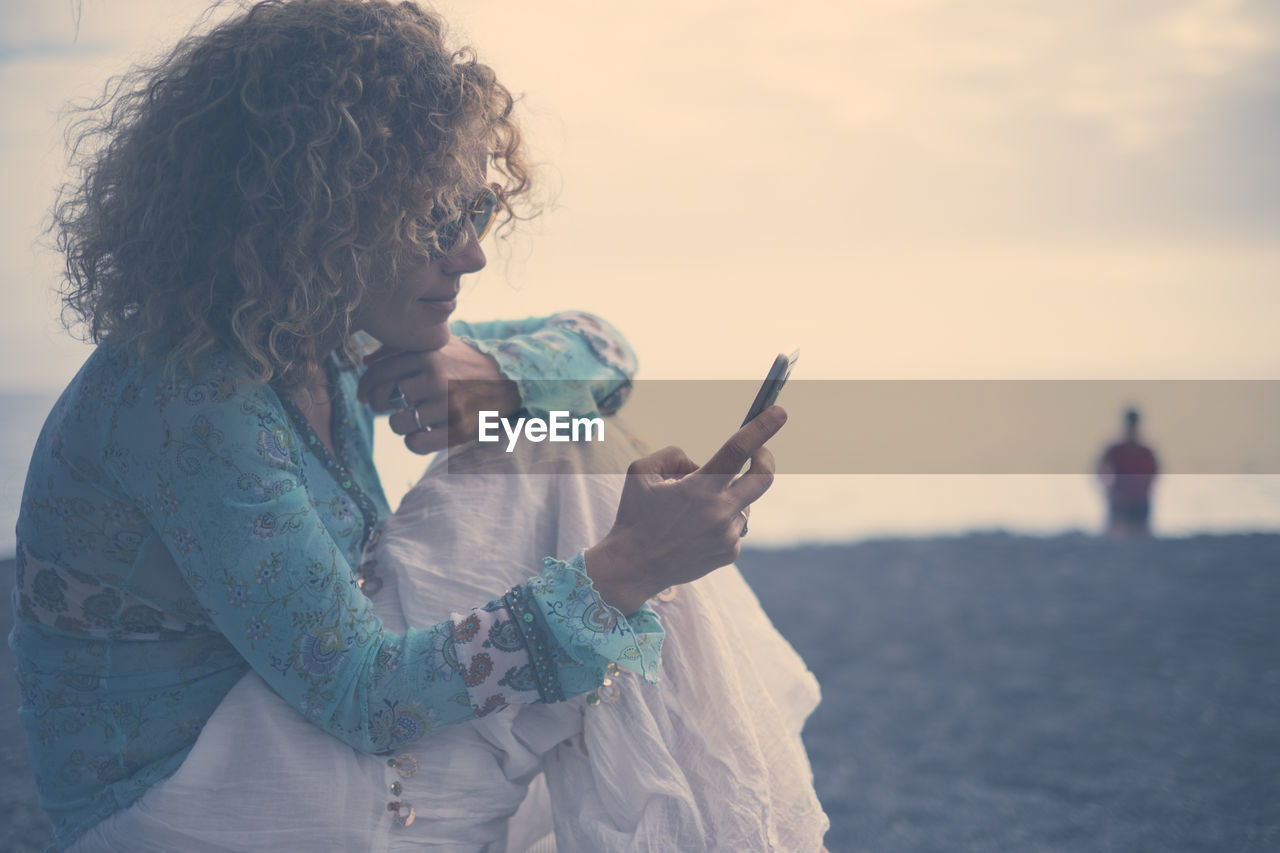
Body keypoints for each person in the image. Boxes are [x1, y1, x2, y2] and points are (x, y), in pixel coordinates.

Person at [10, 1, 790, 849]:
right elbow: (362, 692)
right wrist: (628, 568)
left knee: (567, 436)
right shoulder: (189, 396)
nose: (472, 252)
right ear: (313, 222)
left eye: (477, 209)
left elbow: (607, 350)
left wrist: (500, 376)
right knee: (566, 461)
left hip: (284, 738)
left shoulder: (316, 337)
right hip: (183, 802)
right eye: (433, 221)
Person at [1096, 407, 1159, 538]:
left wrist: (1146, 489)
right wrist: (1107, 489)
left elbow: (1155, 473)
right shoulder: (1115, 450)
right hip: (1120, 502)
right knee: (1117, 538)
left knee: (1141, 537)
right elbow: (1100, 469)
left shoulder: (1146, 452)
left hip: (1140, 502)